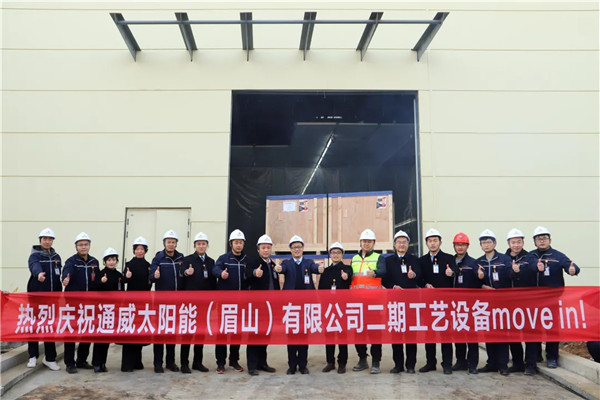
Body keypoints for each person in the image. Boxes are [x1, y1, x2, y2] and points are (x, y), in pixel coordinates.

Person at [526, 226, 579, 369]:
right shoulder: (531, 256)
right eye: (539, 239)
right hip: (534, 300)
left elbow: (571, 266)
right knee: (535, 328)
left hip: (552, 300)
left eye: (544, 238)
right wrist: (536, 267)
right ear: (535, 241)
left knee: (552, 328)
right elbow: (528, 267)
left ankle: (552, 357)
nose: (542, 241)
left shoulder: (558, 255)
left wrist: (573, 270)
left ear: (550, 240)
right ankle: (537, 355)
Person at [279, 234, 324, 375]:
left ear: (303, 248)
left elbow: (315, 268)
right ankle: (292, 365)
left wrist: (319, 269)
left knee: (304, 335)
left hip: (306, 306)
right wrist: (278, 269)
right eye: (294, 247)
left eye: (299, 247)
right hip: (291, 306)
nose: (297, 249)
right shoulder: (286, 263)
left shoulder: (308, 262)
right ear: (290, 249)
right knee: (291, 335)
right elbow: (282, 269)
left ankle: (303, 365)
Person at [382, 230, 421, 374]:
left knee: (411, 334)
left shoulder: (414, 259)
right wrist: (393, 286)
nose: (401, 245)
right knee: (396, 333)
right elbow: (384, 279)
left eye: (404, 242)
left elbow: (420, 275)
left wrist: (414, 274)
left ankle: (410, 365)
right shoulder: (388, 260)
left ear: (408, 244)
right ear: (394, 244)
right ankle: (398, 365)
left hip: (411, 302)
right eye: (399, 242)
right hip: (394, 302)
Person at [475, 229, 513, 376]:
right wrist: (480, 283)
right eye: (483, 242)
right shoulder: (479, 262)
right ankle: (491, 363)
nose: (486, 245)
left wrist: (515, 271)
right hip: (486, 304)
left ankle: (503, 365)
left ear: (495, 243)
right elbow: (473, 282)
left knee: (502, 334)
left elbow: (511, 276)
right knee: (489, 333)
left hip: (503, 303)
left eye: (489, 242)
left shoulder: (504, 259)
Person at [418, 228, 456, 374]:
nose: (432, 243)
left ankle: (447, 364)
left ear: (440, 242)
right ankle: (430, 363)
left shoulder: (448, 258)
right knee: (429, 334)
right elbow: (419, 278)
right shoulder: (422, 260)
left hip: (445, 302)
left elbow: (456, 272)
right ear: (426, 243)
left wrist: (451, 273)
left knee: (446, 334)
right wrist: (425, 284)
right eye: (430, 241)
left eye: (435, 240)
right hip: (428, 302)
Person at [61, 232, 99, 374]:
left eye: (86, 244)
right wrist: (65, 279)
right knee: (71, 332)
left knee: (87, 332)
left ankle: (82, 360)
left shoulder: (94, 262)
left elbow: (97, 279)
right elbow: (67, 272)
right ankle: (70, 363)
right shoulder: (71, 261)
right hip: (73, 304)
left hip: (90, 304)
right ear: (76, 246)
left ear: (89, 246)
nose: (83, 247)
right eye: (80, 245)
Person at [350, 228, 387, 374]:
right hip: (357, 302)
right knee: (358, 332)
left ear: (374, 243)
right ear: (360, 242)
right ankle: (362, 359)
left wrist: (375, 273)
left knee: (375, 333)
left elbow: (384, 271)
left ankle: (376, 361)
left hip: (373, 303)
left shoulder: (379, 258)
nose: (366, 244)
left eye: (369, 241)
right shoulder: (354, 258)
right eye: (364, 241)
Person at [212, 229, 248, 374]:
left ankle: (234, 361)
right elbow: (215, 268)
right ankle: (220, 363)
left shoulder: (246, 259)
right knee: (222, 333)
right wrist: (221, 273)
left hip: (241, 303)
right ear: (231, 244)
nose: (238, 245)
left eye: (240, 242)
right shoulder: (224, 258)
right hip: (225, 304)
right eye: (236, 242)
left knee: (237, 333)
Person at [179, 232, 216, 374]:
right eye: (198, 244)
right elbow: (181, 274)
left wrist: (213, 302)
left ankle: (197, 362)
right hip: (190, 304)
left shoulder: (211, 262)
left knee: (201, 333)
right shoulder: (187, 260)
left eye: (203, 244)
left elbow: (213, 282)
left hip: (204, 304)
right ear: (195, 245)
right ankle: (184, 363)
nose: (201, 246)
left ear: (207, 245)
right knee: (187, 334)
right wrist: (186, 272)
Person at [26, 228, 62, 371]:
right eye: (44, 239)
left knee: (49, 326)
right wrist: (39, 274)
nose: (47, 241)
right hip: (37, 297)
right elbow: (34, 266)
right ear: (40, 240)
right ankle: (32, 356)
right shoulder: (35, 255)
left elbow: (58, 275)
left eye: (49, 239)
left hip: (52, 299)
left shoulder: (56, 257)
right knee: (34, 325)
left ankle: (50, 358)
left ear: (52, 241)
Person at [245, 234, 280, 376]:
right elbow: (246, 275)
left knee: (266, 334)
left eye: (268, 247)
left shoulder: (273, 265)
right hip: (256, 307)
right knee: (254, 335)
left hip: (270, 306)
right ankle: (252, 365)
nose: (266, 250)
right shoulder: (253, 262)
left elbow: (276, 285)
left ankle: (262, 363)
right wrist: (254, 273)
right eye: (263, 247)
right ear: (258, 249)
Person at [149, 229, 184, 373]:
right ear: (164, 243)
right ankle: (158, 363)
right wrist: (155, 275)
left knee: (172, 333)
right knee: (160, 333)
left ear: (176, 244)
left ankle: (171, 362)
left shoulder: (181, 258)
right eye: (168, 242)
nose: (171, 244)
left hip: (176, 302)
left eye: (173, 242)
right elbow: (151, 276)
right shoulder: (158, 258)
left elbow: (184, 275)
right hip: (161, 303)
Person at [319, 242, 353, 374]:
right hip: (329, 308)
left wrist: (346, 276)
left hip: (342, 308)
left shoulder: (347, 268)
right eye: (333, 253)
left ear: (342, 254)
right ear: (330, 254)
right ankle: (330, 362)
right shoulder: (326, 271)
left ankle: (342, 363)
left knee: (342, 335)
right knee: (329, 335)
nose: (335, 255)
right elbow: (321, 290)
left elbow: (349, 276)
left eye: (338, 253)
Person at [451, 232, 481, 374]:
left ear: (467, 246)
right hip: (455, 305)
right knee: (458, 334)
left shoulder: (473, 263)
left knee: (471, 335)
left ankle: (472, 364)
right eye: (457, 244)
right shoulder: (450, 261)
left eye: (463, 244)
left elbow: (479, 281)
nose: (460, 247)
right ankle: (460, 361)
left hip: (470, 305)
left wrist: (480, 276)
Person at [121, 236, 152, 372]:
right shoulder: (129, 264)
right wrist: (126, 277)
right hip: (131, 303)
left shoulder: (148, 265)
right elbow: (123, 281)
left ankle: (137, 361)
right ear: (134, 251)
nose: (139, 251)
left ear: (145, 251)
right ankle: (127, 364)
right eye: (137, 249)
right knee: (130, 332)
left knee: (140, 331)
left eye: (142, 249)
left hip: (144, 303)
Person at [92, 248, 123, 372]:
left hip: (113, 310)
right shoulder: (101, 274)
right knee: (99, 338)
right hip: (101, 311)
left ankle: (103, 363)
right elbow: (94, 289)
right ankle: (96, 363)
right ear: (105, 261)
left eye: (113, 260)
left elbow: (122, 292)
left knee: (106, 338)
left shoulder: (118, 275)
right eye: (109, 260)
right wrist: (101, 282)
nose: (111, 262)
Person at [505, 228, 529, 372]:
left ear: (523, 243)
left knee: (529, 333)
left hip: (527, 301)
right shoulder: (503, 259)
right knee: (513, 333)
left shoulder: (530, 257)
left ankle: (531, 363)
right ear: (509, 243)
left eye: (518, 242)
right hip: (509, 302)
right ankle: (517, 363)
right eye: (513, 242)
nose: (516, 245)